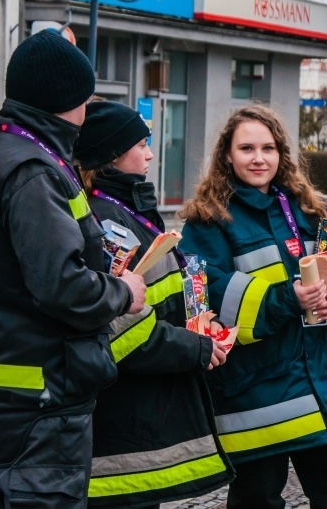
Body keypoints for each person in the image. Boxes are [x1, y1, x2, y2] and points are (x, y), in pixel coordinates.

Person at [0, 30, 148, 508]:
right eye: (85, 98)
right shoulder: (36, 171)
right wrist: (123, 292)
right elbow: (62, 287)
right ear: (68, 101)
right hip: (40, 403)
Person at [177, 105, 327, 509]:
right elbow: (205, 295)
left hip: (325, 386)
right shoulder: (207, 221)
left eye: (268, 148)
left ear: (281, 154)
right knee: (257, 502)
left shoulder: (313, 209)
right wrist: (287, 299)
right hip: (254, 397)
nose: (259, 158)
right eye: (247, 148)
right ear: (227, 156)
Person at [72, 101, 235, 508]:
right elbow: (125, 335)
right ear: (112, 155)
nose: (149, 154)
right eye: (141, 145)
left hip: (141, 411)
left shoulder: (128, 211)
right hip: (124, 418)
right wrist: (195, 348)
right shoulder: (108, 224)